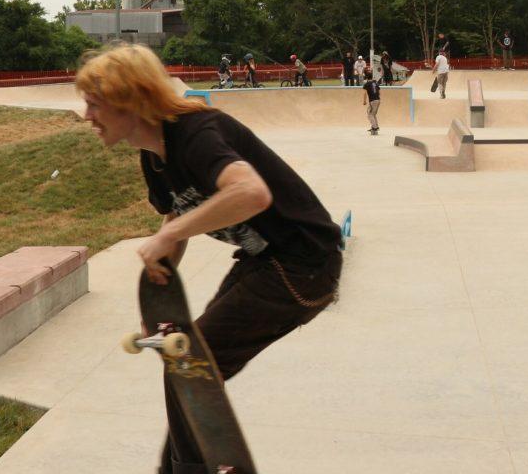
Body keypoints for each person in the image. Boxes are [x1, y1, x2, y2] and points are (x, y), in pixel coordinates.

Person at [76, 44, 342, 473]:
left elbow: (251, 192)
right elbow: (175, 213)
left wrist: (172, 234)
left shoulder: (196, 132)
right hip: (263, 263)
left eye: (94, 103)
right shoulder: (154, 157)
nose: (86, 115)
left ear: (131, 100)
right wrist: (157, 294)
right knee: (186, 369)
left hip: (303, 265)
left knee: (190, 365)